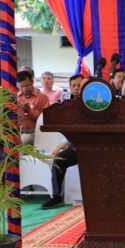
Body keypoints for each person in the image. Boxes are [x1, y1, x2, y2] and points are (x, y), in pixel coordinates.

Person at [40, 76, 85, 210]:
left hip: (93, 146)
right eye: (74, 86)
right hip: (76, 146)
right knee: (59, 160)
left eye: (79, 86)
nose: (77, 88)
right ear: (70, 87)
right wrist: (64, 142)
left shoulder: (92, 104)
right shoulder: (67, 105)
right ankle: (56, 197)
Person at [15, 70, 49, 145]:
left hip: (33, 132)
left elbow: (45, 120)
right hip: (16, 131)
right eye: (21, 86)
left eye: (27, 86)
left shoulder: (43, 98)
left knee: (24, 141)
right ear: (18, 85)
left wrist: (30, 111)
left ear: (32, 82)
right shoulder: (15, 97)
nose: (24, 89)